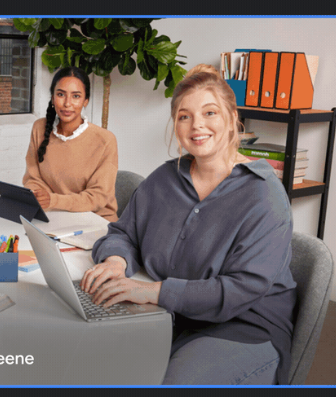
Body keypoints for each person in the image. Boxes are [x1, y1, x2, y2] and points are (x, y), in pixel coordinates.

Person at [80, 64, 297, 385]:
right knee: (80, 359)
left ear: (231, 117)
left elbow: (241, 289)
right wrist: (116, 260)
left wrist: (154, 291)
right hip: (165, 317)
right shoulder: (164, 179)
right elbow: (125, 233)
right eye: (184, 115)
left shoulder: (263, 194)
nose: (197, 125)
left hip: (241, 329)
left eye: (210, 113)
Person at [22, 66, 119, 222]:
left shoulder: (105, 140)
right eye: (61, 94)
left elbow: (98, 197)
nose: (67, 103)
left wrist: (53, 201)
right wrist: (42, 199)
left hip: (96, 221)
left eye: (76, 96)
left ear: (85, 100)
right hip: (55, 216)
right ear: (53, 98)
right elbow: (33, 179)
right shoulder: (39, 128)